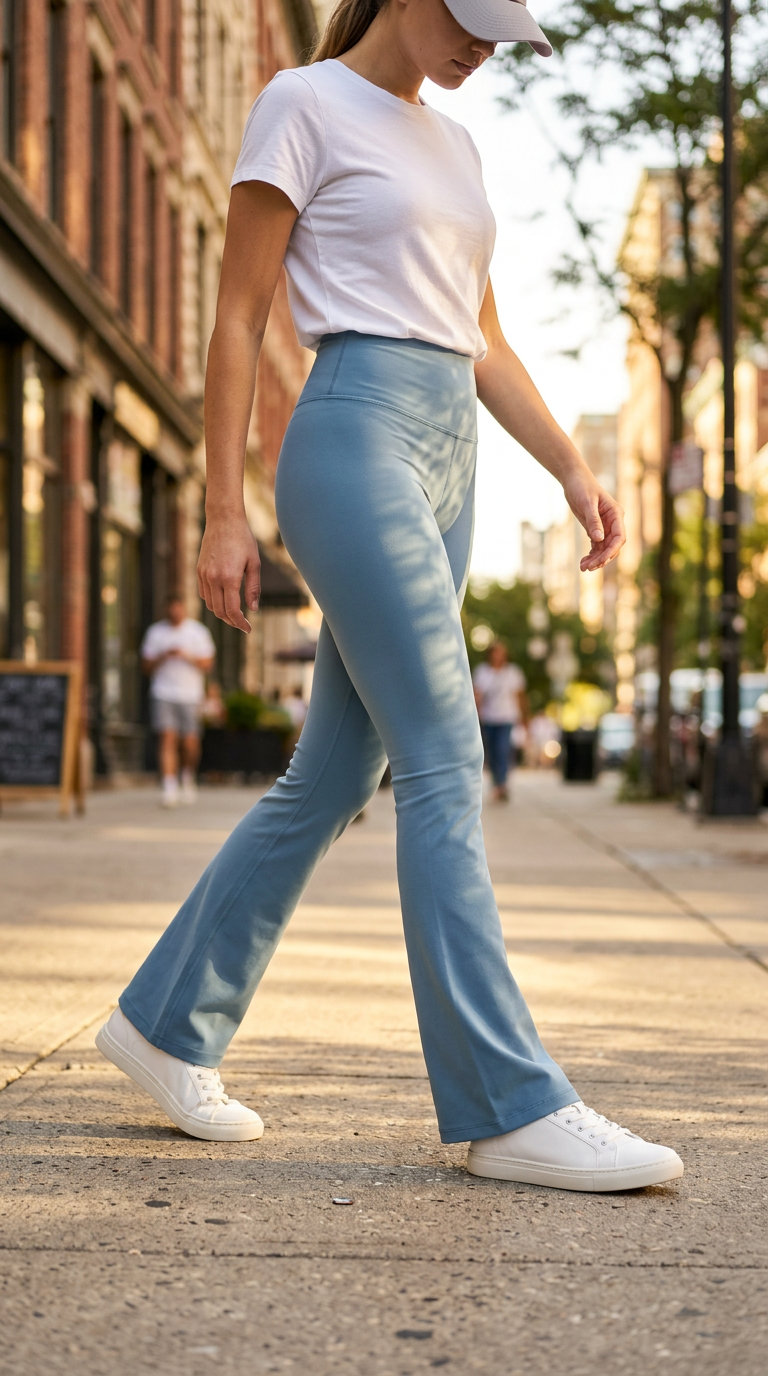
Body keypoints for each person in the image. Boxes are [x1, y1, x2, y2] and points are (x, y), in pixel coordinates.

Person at [96, 0, 684, 1192]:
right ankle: (507, 1102)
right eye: (473, 24)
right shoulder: (300, 104)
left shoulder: (457, 146)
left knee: (335, 773)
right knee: (440, 756)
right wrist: (221, 508)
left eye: (504, 36)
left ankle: (164, 1024)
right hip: (352, 435)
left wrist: (574, 467)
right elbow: (236, 318)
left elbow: (486, 339)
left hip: (451, 450)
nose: (484, 50)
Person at [141, 594, 216, 807]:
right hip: (163, 692)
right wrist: (163, 656)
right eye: (171, 609)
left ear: (184, 609)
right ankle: (169, 786)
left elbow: (208, 664)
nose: (175, 613)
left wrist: (186, 656)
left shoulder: (198, 632)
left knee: (190, 743)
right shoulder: (156, 632)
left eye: (178, 609)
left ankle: (187, 776)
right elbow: (145, 666)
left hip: (190, 695)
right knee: (167, 738)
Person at [473, 641, 526, 800]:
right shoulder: (482, 672)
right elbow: (477, 696)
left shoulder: (513, 672)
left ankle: (502, 784)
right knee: (491, 753)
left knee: (503, 750)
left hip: (506, 717)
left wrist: (524, 718)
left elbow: (520, 696)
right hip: (488, 719)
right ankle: (496, 783)